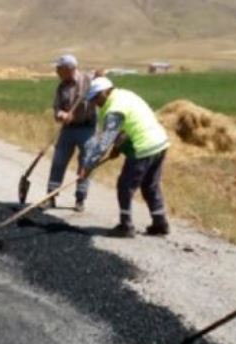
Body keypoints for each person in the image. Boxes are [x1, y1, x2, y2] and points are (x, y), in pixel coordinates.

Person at [82, 77, 171, 238]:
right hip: (160, 142)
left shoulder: (114, 108)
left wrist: (88, 166)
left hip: (143, 146)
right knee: (150, 185)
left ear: (105, 92)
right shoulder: (124, 95)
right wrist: (117, 148)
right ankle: (160, 223)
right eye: (92, 99)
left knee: (125, 186)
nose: (95, 103)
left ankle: (126, 226)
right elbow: (125, 127)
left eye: (96, 98)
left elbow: (104, 141)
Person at [44, 54, 97, 212]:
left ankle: (80, 199)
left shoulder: (88, 81)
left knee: (85, 163)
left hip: (87, 128)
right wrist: (61, 115)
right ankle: (50, 197)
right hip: (68, 129)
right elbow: (57, 108)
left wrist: (99, 76)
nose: (56, 71)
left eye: (59, 69)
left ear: (69, 69)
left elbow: (101, 92)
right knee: (58, 161)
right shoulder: (61, 87)